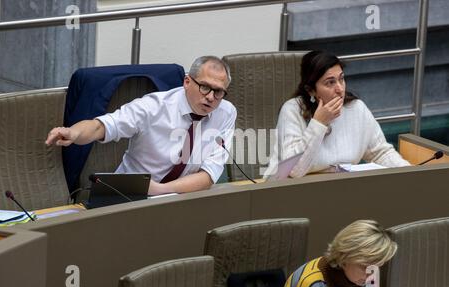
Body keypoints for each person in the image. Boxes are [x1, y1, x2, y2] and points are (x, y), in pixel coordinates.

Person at [45, 56, 237, 196]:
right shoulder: (152, 107)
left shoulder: (226, 113)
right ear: (187, 82)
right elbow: (99, 127)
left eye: (219, 92)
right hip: (127, 195)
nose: (211, 97)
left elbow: (208, 175)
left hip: (178, 196)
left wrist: (160, 191)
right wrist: (73, 132)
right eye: (205, 87)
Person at [264, 50, 409, 178]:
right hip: (296, 193)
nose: (340, 89)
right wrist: (318, 124)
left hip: (342, 190)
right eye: (330, 83)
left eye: (341, 79)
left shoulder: (356, 108)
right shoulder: (293, 110)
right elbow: (294, 171)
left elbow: (380, 153)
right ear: (311, 90)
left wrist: (411, 173)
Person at [278, 220, 397, 287]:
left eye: (376, 267)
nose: (371, 274)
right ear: (344, 256)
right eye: (364, 267)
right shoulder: (310, 284)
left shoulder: (368, 277)